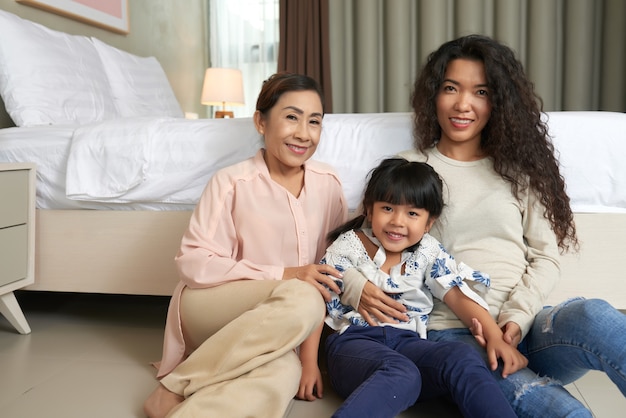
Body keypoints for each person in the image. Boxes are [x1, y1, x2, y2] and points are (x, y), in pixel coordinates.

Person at [342, 34, 626, 417]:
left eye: (480, 91)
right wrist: (356, 286)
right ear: (434, 96)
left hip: (527, 323)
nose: (463, 104)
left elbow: (545, 257)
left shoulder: (519, 171)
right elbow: (366, 244)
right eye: (451, 88)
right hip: (455, 336)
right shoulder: (409, 168)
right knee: (567, 413)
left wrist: (514, 320)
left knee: (595, 316)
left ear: (499, 102)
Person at [142, 72, 348, 418]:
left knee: (283, 371)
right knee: (303, 291)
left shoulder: (328, 184)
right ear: (260, 122)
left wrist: (309, 361)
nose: (304, 133)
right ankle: (176, 384)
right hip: (211, 305)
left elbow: (328, 276)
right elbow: (193, 263)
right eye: (291, 117)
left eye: (314, 122)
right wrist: (284, 274)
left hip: (284, 320)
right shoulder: (231, 182)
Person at [315, 157, 522, 418]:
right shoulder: (349, 245)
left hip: (408, 346)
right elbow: (317, 298)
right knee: (401, 372)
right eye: (388, 208)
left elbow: (457, 295)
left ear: (429, 223)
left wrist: (494, 336)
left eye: (412, 213)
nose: (398, 222)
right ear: (369, 209)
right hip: (353, 347)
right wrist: (310, 364)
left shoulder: (428, 252)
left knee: (461, 356)